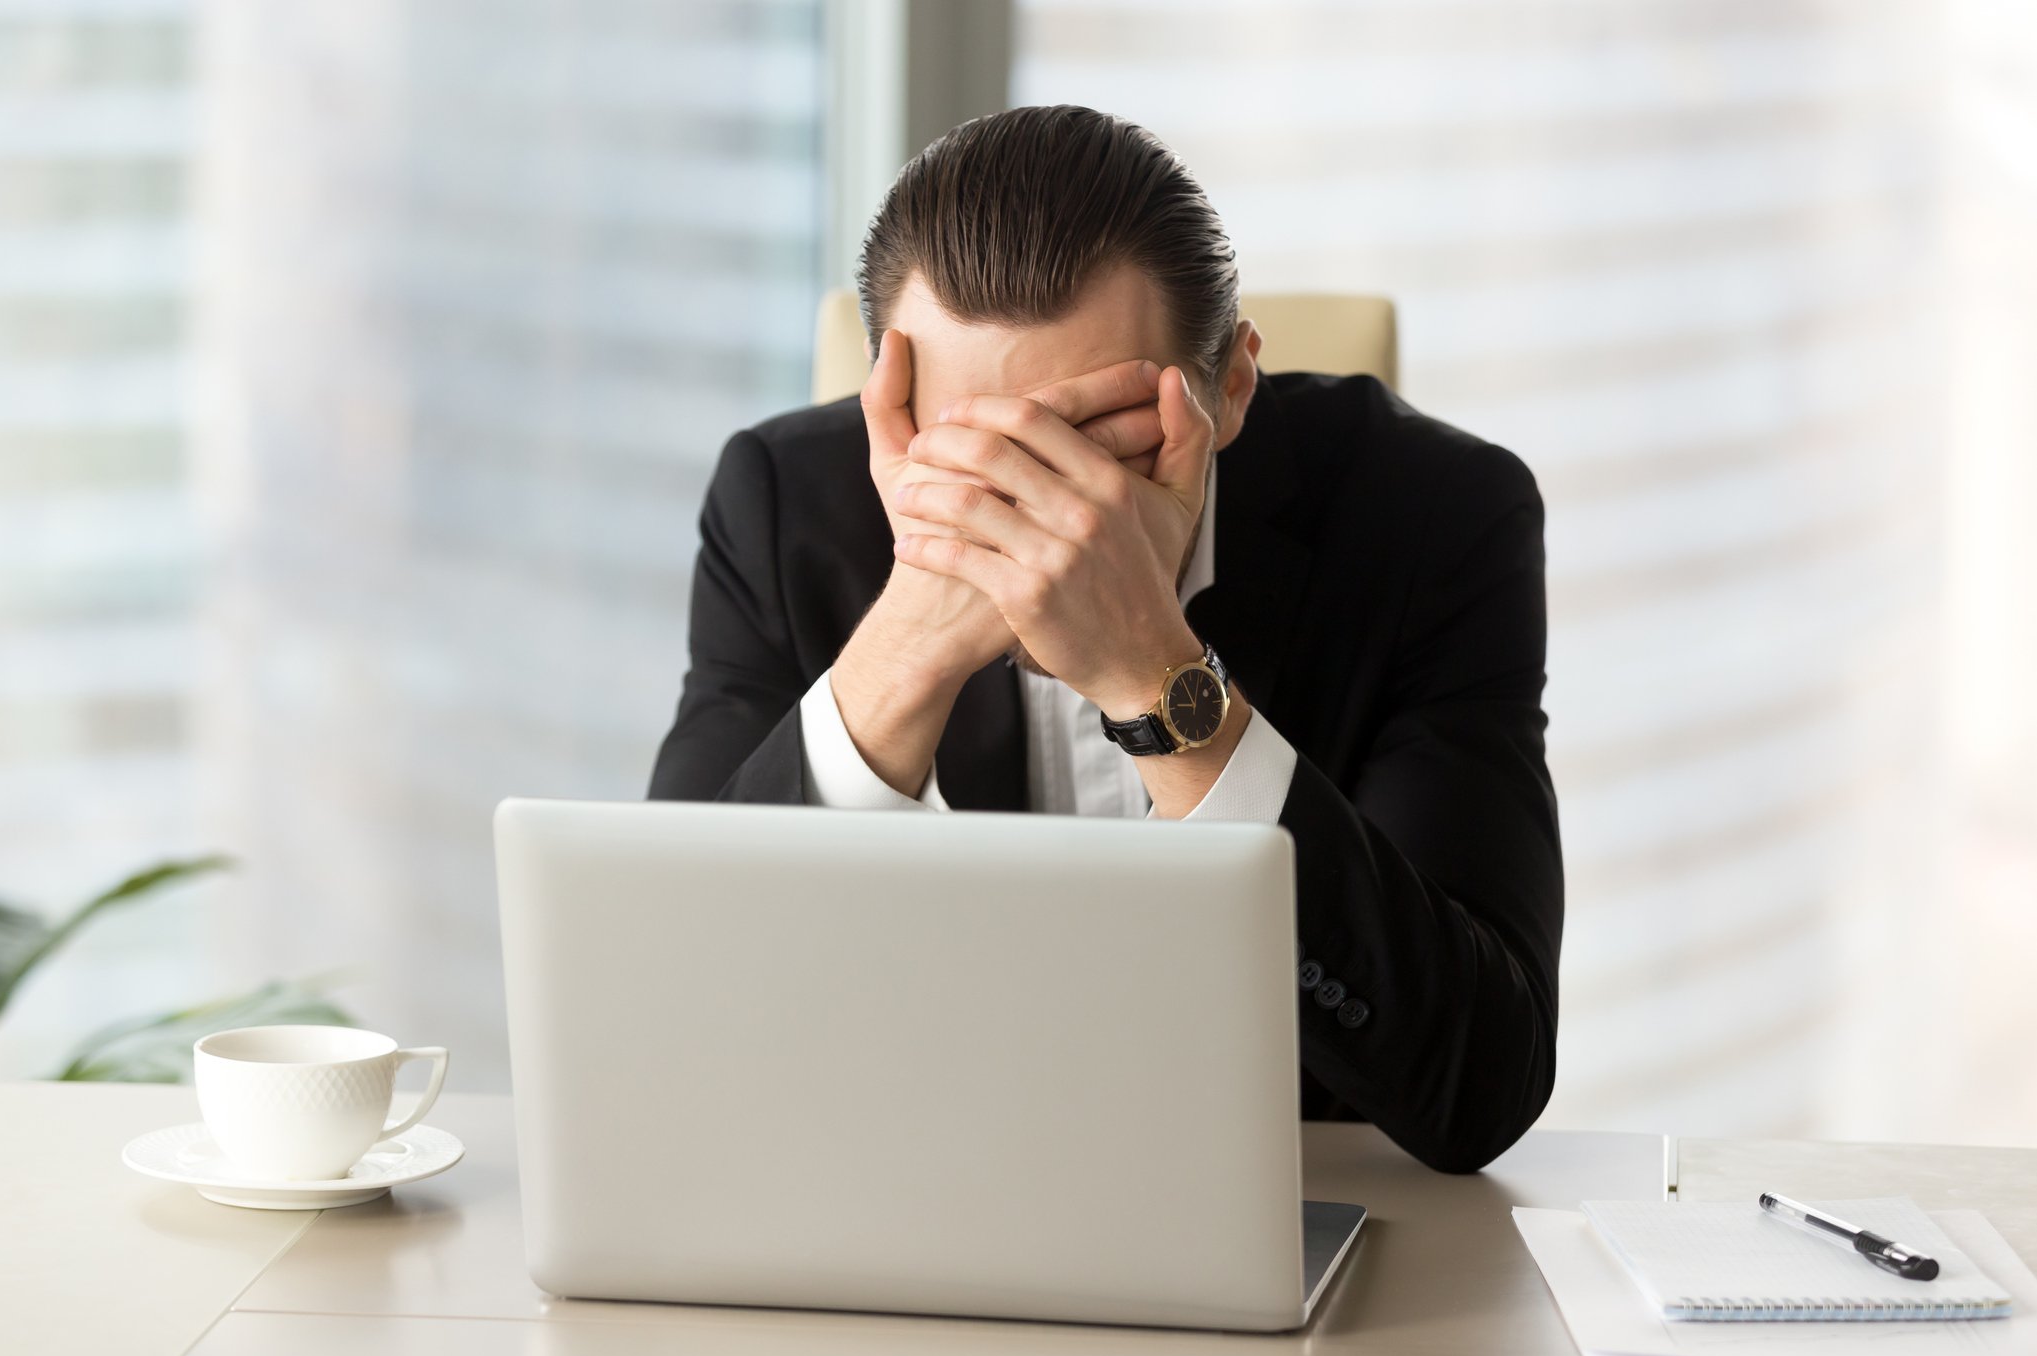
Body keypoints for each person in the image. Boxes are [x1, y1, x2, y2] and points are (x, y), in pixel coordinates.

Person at [649, 105, 1561, 1174]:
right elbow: (666, 1034)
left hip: (1291, 1208)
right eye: (979, 455)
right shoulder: (779, 507)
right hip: (903, 1199)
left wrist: (1162, 681)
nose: (1044, 530)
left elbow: (1478, 1086)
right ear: (885, 407)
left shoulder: (1436, 515)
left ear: (1228, 386)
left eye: (1089, 446)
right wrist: (902, 654)